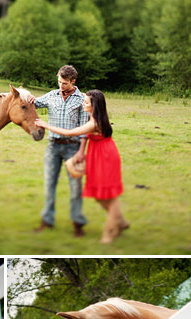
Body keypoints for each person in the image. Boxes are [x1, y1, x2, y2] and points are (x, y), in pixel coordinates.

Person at [40, 88, 128, 244]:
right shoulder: (92, 116)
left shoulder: (94, 122)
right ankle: (120, 221)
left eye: (86, 102)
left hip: (105, 157)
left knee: (108, 196)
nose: (83, 103)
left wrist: (46, 125)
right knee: (99, 196)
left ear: (94, 105)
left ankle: (109, 233)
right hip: (97, 155)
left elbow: (70, 133)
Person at [33, 65, 87, 238]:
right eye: (59, 82)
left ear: (73, 81)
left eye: (64, 83)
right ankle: (47, 220)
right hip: (53, 146)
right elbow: (32, 103)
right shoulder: (51, 95)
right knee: (49, 184)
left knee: (75, 187)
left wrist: (81, 152)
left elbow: (85, 129)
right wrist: (23, 94)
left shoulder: (82, 100)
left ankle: (77, 223)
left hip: (73, 147)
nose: (60, 86)